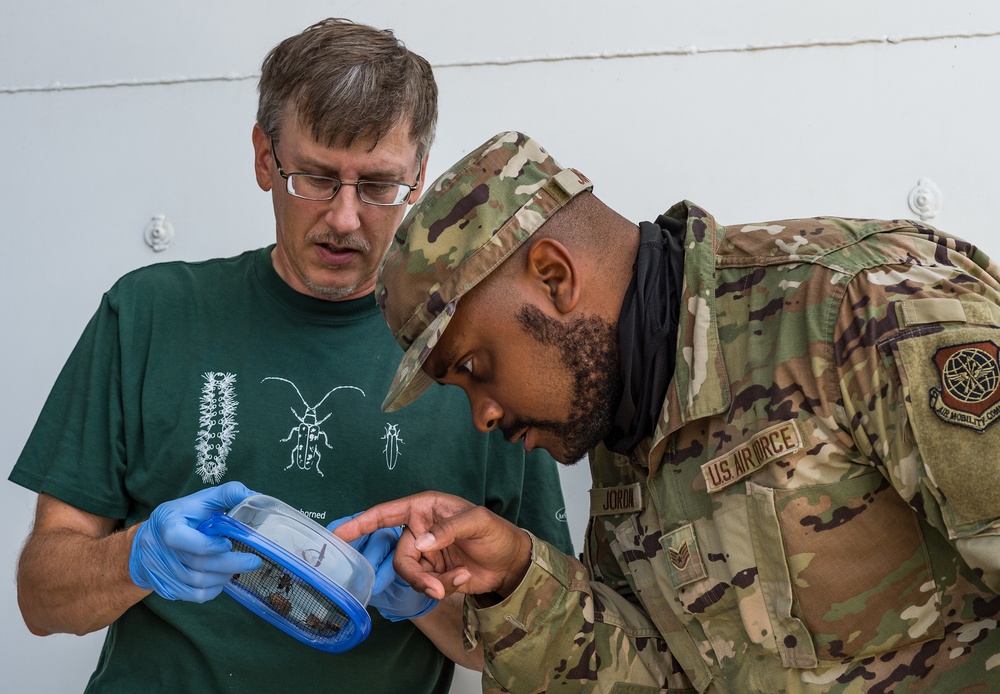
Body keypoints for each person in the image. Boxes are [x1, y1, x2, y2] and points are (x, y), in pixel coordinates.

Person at [9, 24, 572, 693]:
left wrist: (430, 600)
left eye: (379, 184)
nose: (343, 217)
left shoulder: (485, 357)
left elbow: (547, 645)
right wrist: (137, 557)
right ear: (262, 157)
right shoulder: (149, 314)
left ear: (420, 176)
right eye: (316, 177)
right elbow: (41, 600)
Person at [334, 130, 1000, 693]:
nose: (482, 415)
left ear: (556, 277)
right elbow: (663, 676)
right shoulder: (620, 428)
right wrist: (512, 579)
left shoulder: (861, 308)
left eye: (477, 368)